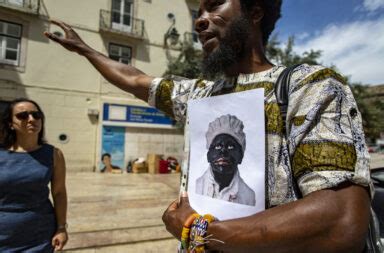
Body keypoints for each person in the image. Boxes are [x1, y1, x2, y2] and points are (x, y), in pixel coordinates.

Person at [43, 0, 380, 251]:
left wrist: (195, 228)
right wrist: (85, 50)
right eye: (197, 14)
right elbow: (135, 78)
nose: (201, 21)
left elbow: (340, 219)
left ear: (255, 12)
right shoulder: (199, 95)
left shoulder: (309, 87)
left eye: (214, 5)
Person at [0, 98, 68, 252]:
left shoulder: (54, 154)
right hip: (3, 235)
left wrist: (61, 228)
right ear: (10, 123)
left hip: (40, 236)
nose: (31, 119)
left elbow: (59, 193)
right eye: (22, 116)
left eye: (36, 115)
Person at [196, 114, 256, 206]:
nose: (223, 152)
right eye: (217, 146)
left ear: (240, 157)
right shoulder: (196, 187)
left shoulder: (248, 197)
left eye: (231, 146)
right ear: (208, 156)